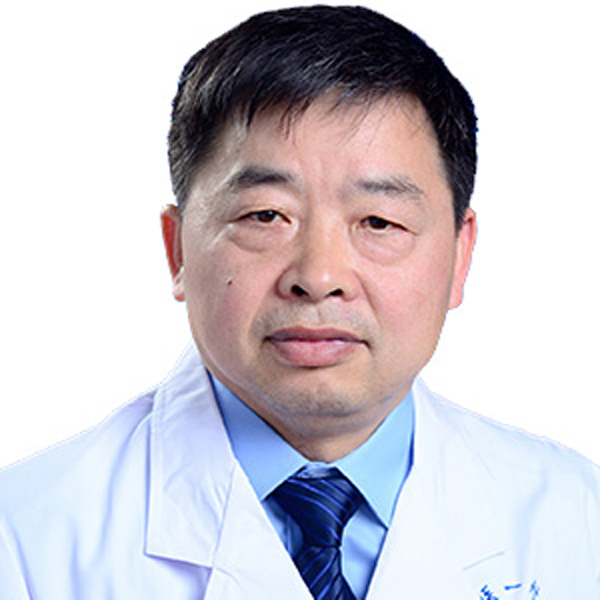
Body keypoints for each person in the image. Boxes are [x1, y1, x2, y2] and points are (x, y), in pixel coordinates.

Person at [0, 5, 598, 599]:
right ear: (177, 248)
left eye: (379, 222)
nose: (319, 277)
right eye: (266, 216)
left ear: (460, 255)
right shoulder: (25, 541)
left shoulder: (574, 518)